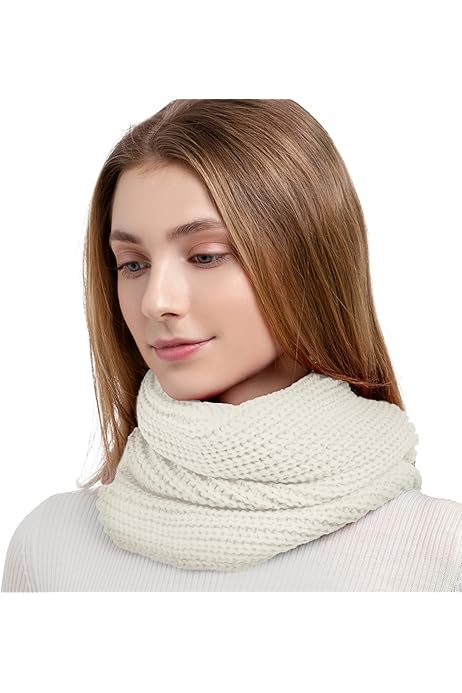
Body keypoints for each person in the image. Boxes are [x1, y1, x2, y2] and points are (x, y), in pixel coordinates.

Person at [2, 99, 461, 591]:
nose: (156, 302)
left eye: (205, 256)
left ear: (309, 259)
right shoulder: (50, 545)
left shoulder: (441, 552)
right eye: (133, 264)